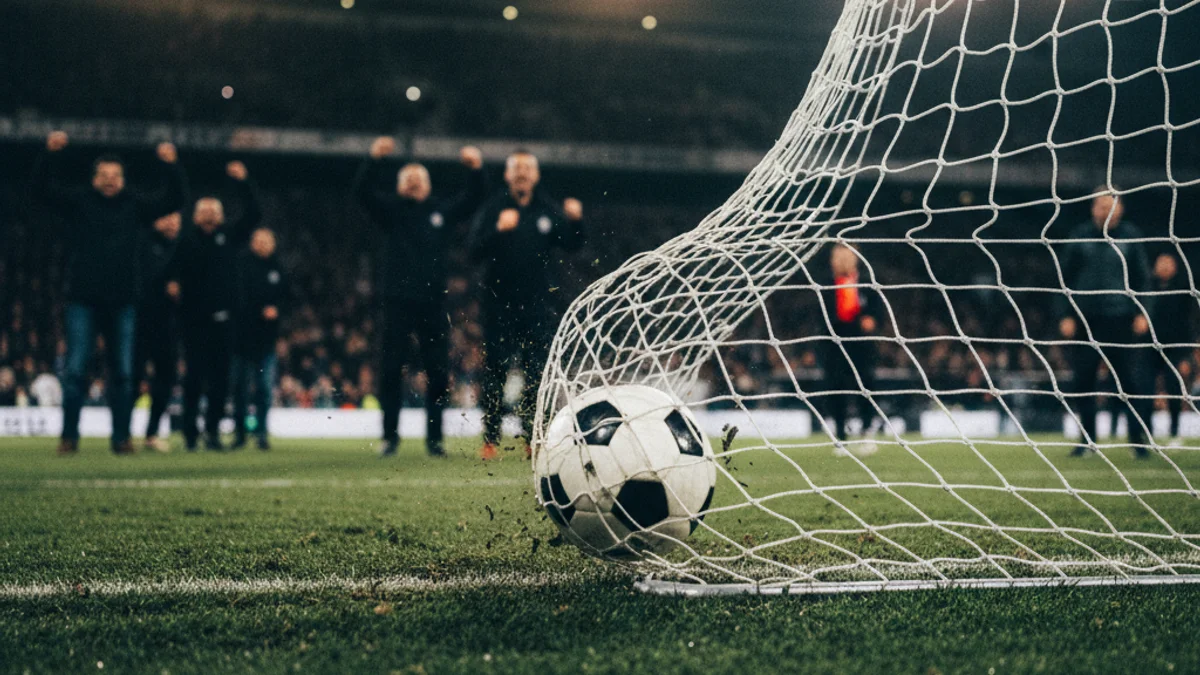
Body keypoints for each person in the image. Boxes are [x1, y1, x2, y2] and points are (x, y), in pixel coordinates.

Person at [31, 131, 185, 456]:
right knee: (75, 371)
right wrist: (49, 156)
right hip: (82, 299)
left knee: (124, 374)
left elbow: (174, 200)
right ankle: (69, 438)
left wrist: (172, 167)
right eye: (104, 175)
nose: (111, 180)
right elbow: (41, 192)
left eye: (116, 175)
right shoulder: (80, 202)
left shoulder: (135, 205)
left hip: (124, 301)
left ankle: (121, 439)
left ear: (123, 179)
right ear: (94, 179)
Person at [354, 136, 488, 457]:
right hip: (397, 301)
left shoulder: (440, 211)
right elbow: (361, 193)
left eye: (419, 179)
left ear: (428, 185)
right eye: (408, 179)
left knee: (438, 373)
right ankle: (390, 437)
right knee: (390, 371)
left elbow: (473, 199)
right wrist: (373, 159)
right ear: (400, 186)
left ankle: (434, 440)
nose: (414, 183)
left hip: (433, 303)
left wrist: (476, 170)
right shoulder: (392, 212)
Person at [469, 151, 584, 460]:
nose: (522, 173)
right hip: (498, 305)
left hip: (537, 306)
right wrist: (498, 232)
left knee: (536, 374)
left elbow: (572, 244)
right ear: (507, 175)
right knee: (495, 372)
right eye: (516, 168)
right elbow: (472, 250)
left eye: (527, 168)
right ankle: (490, 439)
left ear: (536, 175)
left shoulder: (547, 208)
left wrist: (576, 222)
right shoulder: (494, 207)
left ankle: (532, 438)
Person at [1058, 187, 1153, 457]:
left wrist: (1141, 312)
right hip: (1085, 319)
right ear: (1092, 209)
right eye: (1100, 206)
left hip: (1121, 318)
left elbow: (1142, 278)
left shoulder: (1132, 236)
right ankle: (1087, 441)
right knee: (1083, 380)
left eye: (1110, 206)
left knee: (1128, 381)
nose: (1105, 211)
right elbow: (1064, 279)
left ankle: (1137, 441)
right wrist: (1065, 314)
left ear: (1120, 209)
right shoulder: (1079, 236)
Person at [176, 161, 261, 451]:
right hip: (193, 320)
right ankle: (190, 433)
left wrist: (243, 183)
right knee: (194, 379)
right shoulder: (186, 241)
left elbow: (253, 214)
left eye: (215, 212)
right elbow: (172, 271)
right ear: (196, 216)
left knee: (220, 381)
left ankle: (211, 432)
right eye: (205, 211)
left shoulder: (230, 239)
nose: (210, 215)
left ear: (222, 216)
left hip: (225, 320)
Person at [819, 243, 883, 453]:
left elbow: (877, 311)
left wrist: (872, 320)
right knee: (836, 389)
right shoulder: (826, 284)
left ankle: (867, 433)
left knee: (865, 388)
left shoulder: (866, 283)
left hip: (861, 346)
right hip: (834, 346)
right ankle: (841, 437)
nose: (836, 262)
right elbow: (822, 318)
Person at [231, 228, 288, 450]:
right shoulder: (242, 266)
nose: (263, 244)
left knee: (264, 389)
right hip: (243, 339)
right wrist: (258, 312)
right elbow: (237, 298)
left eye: (267, 240)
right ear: (252, 242)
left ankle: (262, 433)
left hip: (267, 341)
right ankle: (240, 434)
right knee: (241, 390)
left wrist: (278, 310)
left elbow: (287, 298)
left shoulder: (278, 268)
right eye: (259, 240)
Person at [135, 211, 184, 453]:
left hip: (169, 324)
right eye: (166, 216)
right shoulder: (144, 242)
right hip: (141, 321)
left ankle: (151, 433)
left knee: (166, 377)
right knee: (132, 376)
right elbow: (147, 276)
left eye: (176, 218)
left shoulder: (183, 246)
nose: (172, 222)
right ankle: (121, 432)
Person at [1148, 252, 1194, 446]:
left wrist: (1186, 354)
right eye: (1161, 263)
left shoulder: (1184, 291)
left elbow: (1191, 323)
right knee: (1144, 389)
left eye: (1169, 263)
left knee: (1174, 389)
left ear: (1175, 266)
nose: (1165, 267)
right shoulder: (1146, 288)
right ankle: (1146, 433)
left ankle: (1175, 431)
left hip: (1176, 348)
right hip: (1148, 347)